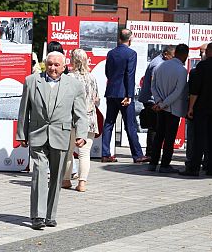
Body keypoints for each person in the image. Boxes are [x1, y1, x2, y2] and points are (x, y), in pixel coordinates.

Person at [16, 51, 88, 230]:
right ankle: (38, 216)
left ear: (64, 67)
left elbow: (80, 113)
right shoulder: (32, 81)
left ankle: (50, 215)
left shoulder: (75, 85)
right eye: (50, 64)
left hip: (61, 134)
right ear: (44, 64)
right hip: (38, 134)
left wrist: (81, 134)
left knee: (56, 177)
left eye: (57, 65)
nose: (53, 68)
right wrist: (22, 134)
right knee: (39, 173)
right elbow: (24, 110)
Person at [180, 42, 212, 177]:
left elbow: (195, 90)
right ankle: (211, 167)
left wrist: (190, 108)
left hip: (202, 107)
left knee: (199, 138)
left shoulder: (202, 66)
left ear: (207, 52)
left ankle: (194, 167)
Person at [102, 29, 148, 163]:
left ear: (119, 38)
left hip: (111, 92)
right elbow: (130, 74)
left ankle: (105, 154)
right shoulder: (131, 53)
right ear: (130, 39)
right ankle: (137, 155)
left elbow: (107, 72)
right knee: (130, 125)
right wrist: (129, 95)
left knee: (109, 123)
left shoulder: (111, 53)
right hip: (124, 94)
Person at [148, 44, 189, 174]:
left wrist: (158, 101)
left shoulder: (161, 66)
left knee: (159, 135)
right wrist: (164, 104)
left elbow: (153, 86)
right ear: (185, 55)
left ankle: (153, 163)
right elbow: (178, 91)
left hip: (161, 107)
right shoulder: (182, 70)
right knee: (169, 138)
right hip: (173, 108)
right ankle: (165, 164)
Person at [62, 49, 99, 192]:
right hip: (89, 118)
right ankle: (82, 183)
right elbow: (96, 98)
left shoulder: (69, 77)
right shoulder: (92, 77)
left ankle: (66, 180)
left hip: (72, 118)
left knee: (68, 151)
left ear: (73, 60)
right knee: (84, 153)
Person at [138, 45, 175, 157]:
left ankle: (152, 153)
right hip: (152, 100)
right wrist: (158, 101)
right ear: (165, 54)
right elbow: (155, 83)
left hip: (154, 99)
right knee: (154, 127)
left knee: (155, 126)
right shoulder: (158, 64)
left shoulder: (160, 62)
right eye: (172, 56)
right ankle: (151, 153)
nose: (174, 59)